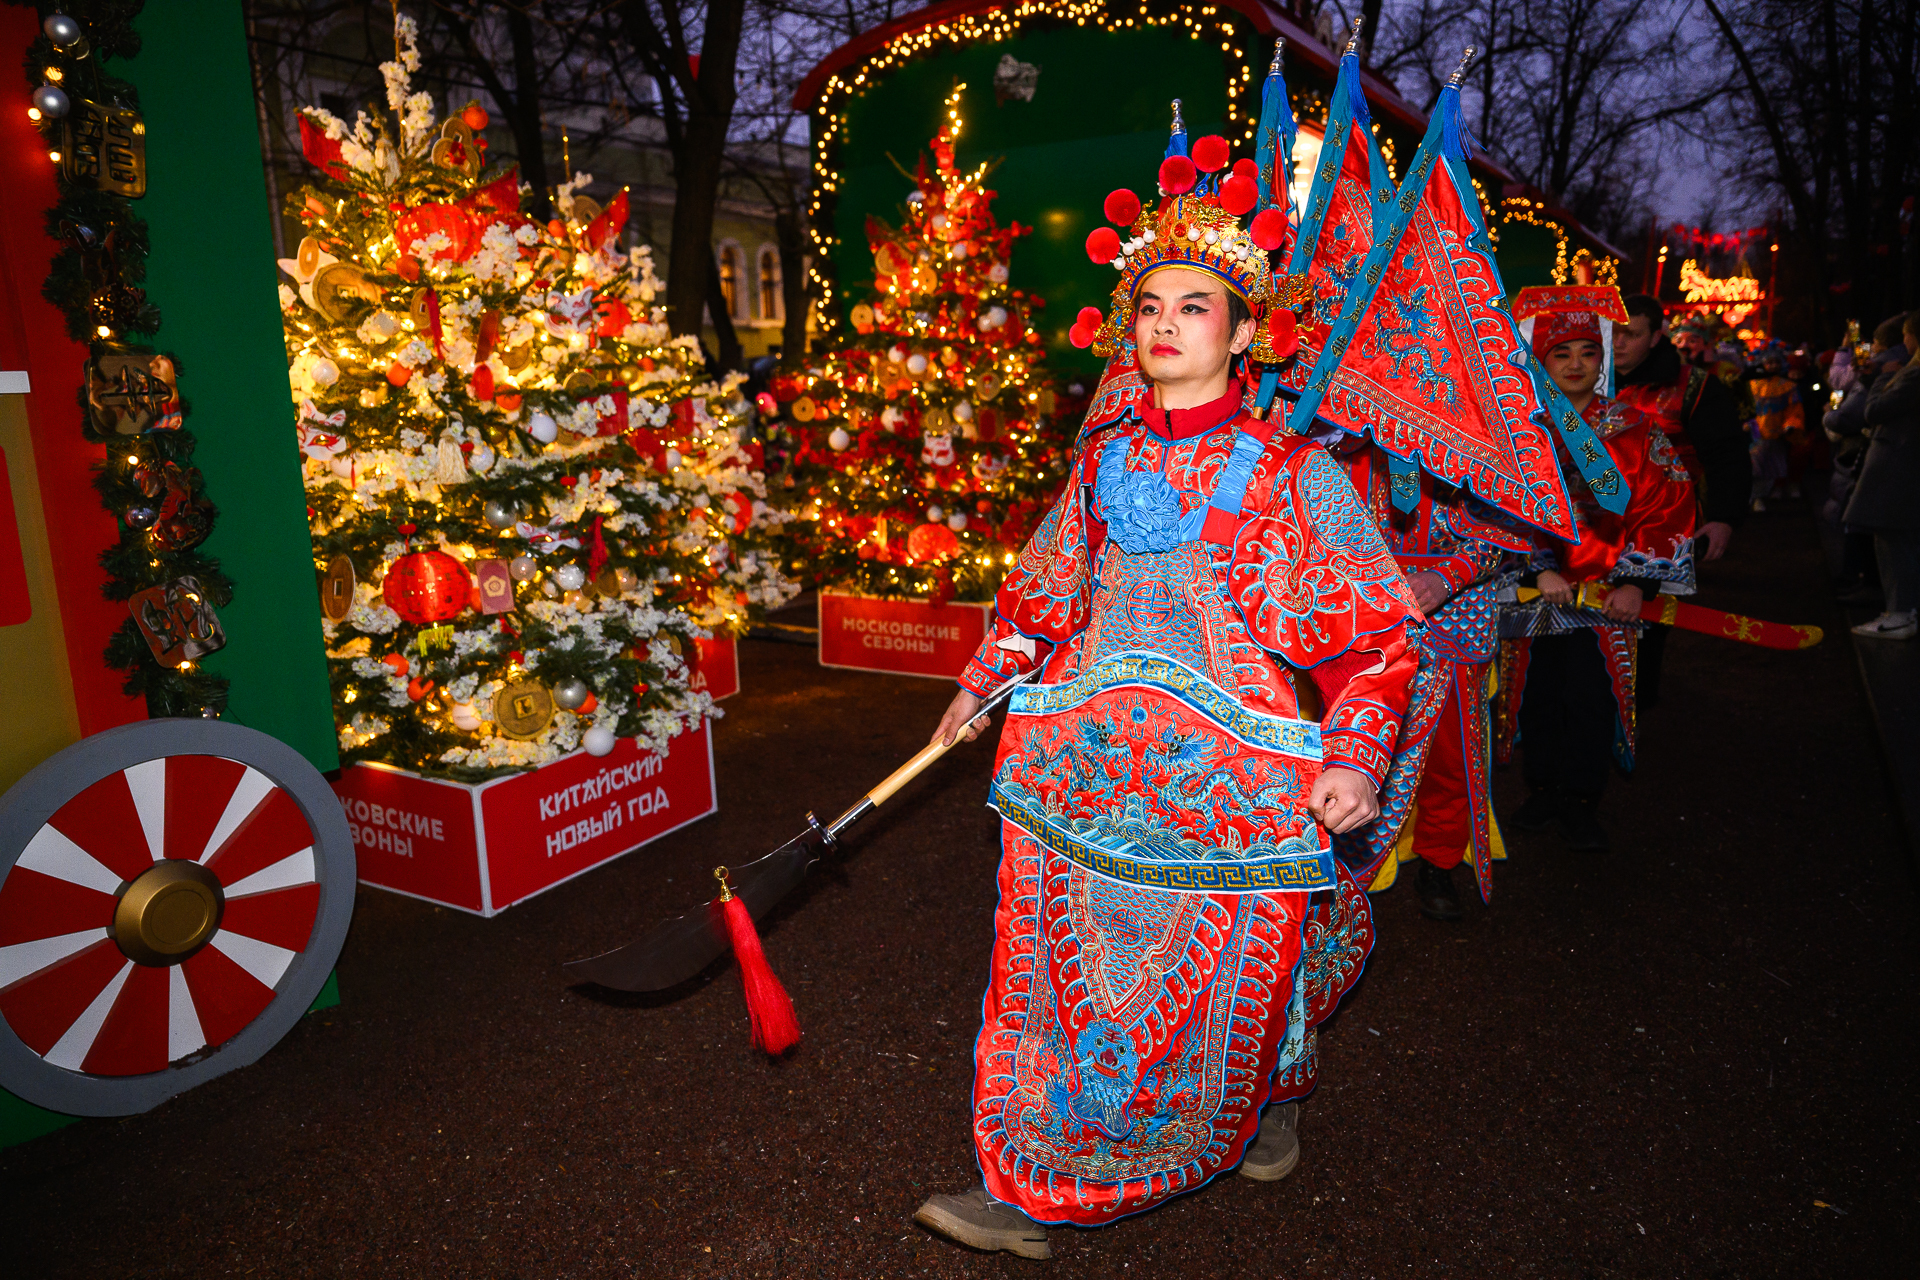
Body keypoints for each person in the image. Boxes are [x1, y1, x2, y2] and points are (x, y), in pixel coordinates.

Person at [910, 135, 1420, 1259]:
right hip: (1088, 773)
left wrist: (1354, 754)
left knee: (1241, 968)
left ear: (1242, 334)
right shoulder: (1100, 459)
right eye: (1149, 305)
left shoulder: (1294, 474)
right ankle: (1038, 1180)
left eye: (1195, 307)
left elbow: (1379, 636)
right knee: (1067, 979)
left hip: (1232, 787)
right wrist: (980, 684)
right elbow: (1041, 599)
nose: (1166, 325)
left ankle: (1267, 1091)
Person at [1497, 287, 1696, 852]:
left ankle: (1582, 799)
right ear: (1540, 359)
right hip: (1538, 595)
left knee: (1590, 698)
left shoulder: (1635, 428)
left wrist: (1636, 582)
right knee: (1536, 694)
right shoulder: (1519, 430)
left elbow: (1667, 504)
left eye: (1588, 352)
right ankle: (1542, 789)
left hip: (1606, 597)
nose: (1576, 364)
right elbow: (1497, 507)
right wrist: (1535, 571)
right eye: (1561, 353)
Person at [1332, 446, 1532, 920]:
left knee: (1451, 756)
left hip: (1456, 621)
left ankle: (1439, 861)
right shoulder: (1348, 444)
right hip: (1369, 618)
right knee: (1355, 748)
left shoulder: (1474, 448)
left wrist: (1447, 577)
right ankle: (1345, 872)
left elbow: (1508, 532)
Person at [1611, 293, 1750, 705]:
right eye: (1613, 332)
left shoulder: (1693, 386)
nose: (1618, 343)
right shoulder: (1583, 374)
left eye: (1631, 334)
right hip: (1592, 527)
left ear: (1656, 337)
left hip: (1665, 527)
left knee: (1645, 628)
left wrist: (1723, 516)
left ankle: (1635, 713)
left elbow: (1726, 454)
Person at [1846, 311, 1920, 639]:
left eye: (1906, 335)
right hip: (1901, 464)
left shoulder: (1912, 375)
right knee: (1898, 539)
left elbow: (1874, 410)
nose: (1904, 341)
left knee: (1893, 539)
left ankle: (1900, 613)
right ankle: (1902, 611)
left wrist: (1880, 379)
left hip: (1896, 464)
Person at [1825, 318, 1908, 603]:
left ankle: (1862, 578)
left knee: (1861, 515)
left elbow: (1842, 385)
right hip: (1886, 451)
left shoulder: (1880, 366)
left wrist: (1830, 414)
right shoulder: (1895, 363)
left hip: (1871, 449)